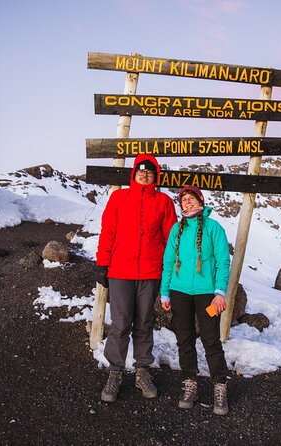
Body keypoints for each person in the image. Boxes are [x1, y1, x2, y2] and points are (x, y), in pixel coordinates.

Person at [95, 154, 177, 403]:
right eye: (141, 171)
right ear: (134, 173)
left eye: (150, 172)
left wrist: (169, 270)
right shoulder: (119, 198)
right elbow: (108, 230)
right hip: (120, 270)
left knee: (144, 322)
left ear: (156, 176)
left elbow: (170, 238)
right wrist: (102, 263)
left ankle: (142, 371)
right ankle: (115, 372)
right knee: (120, 323)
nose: (145, 175)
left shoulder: (163, 202)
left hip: (151, 272)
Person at [160, 186, 231, 415]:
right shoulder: (176, 230)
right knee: (184, 338)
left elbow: (223, 262)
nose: (188, 203)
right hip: (179, 292)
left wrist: (220, 292)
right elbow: (169, 262)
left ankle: (220, 387)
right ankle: (190, 384)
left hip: (207, 293)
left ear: (201, 201)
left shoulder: (214, 228)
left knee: (211, 340)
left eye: (192, 199)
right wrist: (165, 292)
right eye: (184, 200)